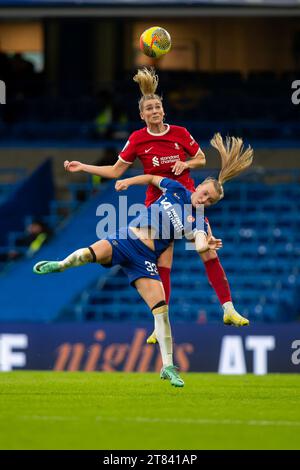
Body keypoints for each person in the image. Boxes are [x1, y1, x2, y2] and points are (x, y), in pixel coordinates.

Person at [33, 133, 253, 387]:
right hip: (126, 239)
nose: (203, 199)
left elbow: (200, 242)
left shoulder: (199, 221)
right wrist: (128, 182)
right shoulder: (177, 188)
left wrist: (208, 243)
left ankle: (168, 367)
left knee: (161, 312)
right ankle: (60, 266)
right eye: (204, 193)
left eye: (209, 201)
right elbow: (151, 178)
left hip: (145, 260)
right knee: (86, 255)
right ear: (200, 186)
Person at [63, 68, 250, 336]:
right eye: (149, 108)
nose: (155, 110)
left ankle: (228, 308)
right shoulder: (138, 138)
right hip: (157, 203)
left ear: (164, 110)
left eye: (158, 106)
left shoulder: (180, 133)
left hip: (186, 200)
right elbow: (116, 171)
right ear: (142, 115)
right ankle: (159, 324)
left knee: (207, 249)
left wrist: (185, 162)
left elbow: (201, 159)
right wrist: (84, 167)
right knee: (164, 260)